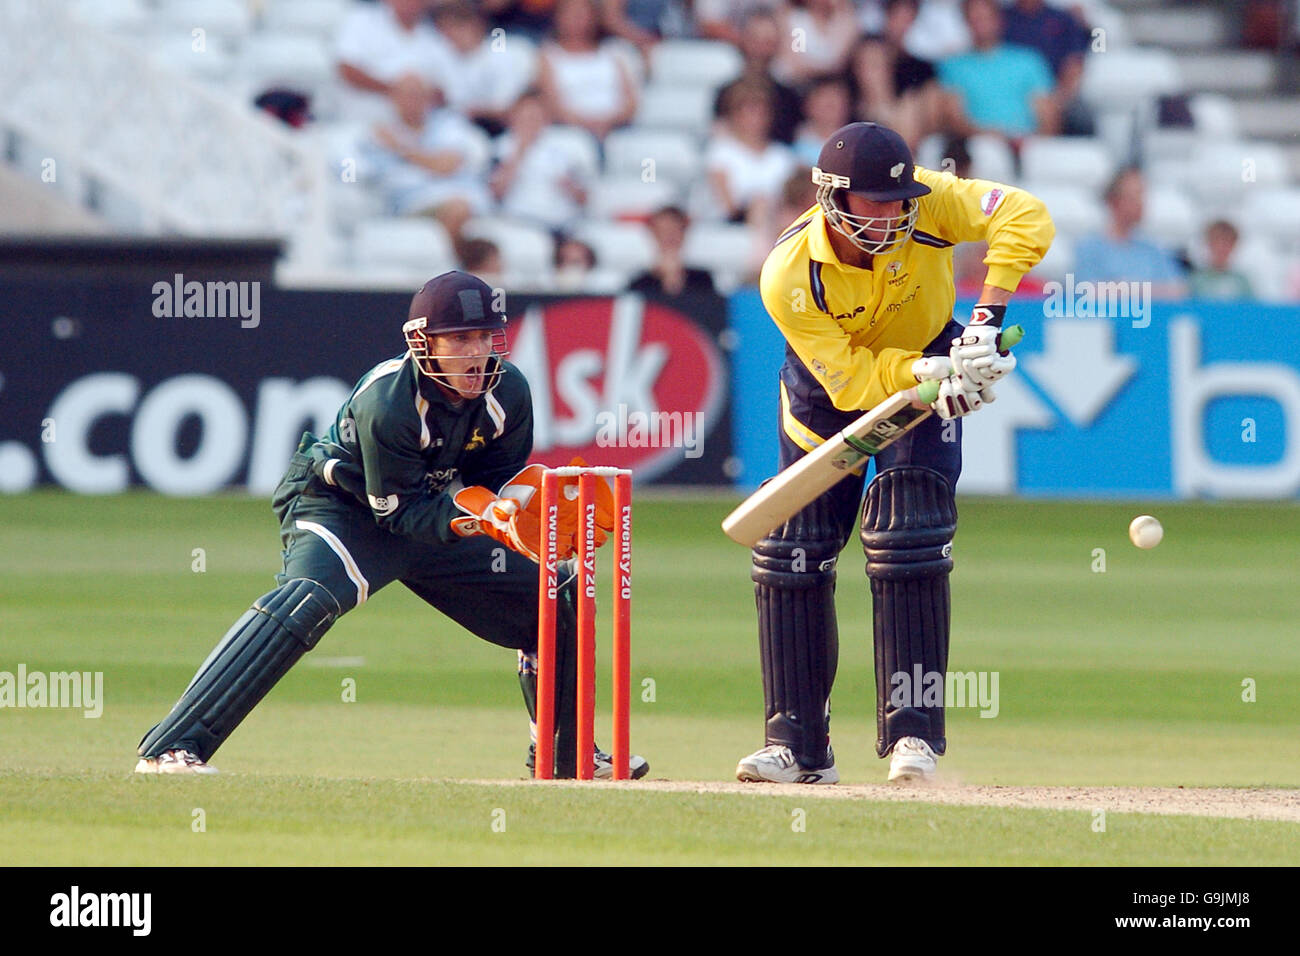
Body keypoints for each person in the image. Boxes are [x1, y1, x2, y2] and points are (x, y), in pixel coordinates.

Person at [134, 272, 649, 780]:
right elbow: (397, 512)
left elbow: (494, 480)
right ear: (424, 342)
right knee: (308, 598)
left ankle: (569, 756)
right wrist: (479, 519)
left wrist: (514, 507)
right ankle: (172, 747)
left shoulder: (508, 393)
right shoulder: (388, 401)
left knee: (555, 589)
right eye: (460, 339)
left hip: (430, 512)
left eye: (485, 337)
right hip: (344, 506)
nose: (477, 354)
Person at [734, 122, 1052, 785]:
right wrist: (934, 373)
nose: (890, 216)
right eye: (873, 203)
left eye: (897, 201)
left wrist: (984, 327)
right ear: (831, 200)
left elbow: (1025, 214)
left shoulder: (929, 202)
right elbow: (849, 381)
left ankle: (913, 737)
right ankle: (797, 747)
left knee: (910, 534)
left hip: (932, 360)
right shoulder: (788, 274)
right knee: (795, 550)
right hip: (828, 391)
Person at [365, 75, 492, 240]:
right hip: (415, 203)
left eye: (418, 94)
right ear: (393, 98)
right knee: (458, 210)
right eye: (406, 94)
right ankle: (460, 263)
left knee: (461, 208)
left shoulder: (448, 124)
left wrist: (399, 148)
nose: (412, 100)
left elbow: (445, 165)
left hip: (463, 198)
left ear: (428, 98)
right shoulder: (378, 133)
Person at [938, 0, 1058, 140]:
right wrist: (993, 137)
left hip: (1029, 143)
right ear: (966, 22)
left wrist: (1028, 142)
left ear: (998, 20)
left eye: (985, 18)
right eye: (975, 19)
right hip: (978, 144)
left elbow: (1048, 117)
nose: (980, 25)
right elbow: (955, 118)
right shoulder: (952, 66)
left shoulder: (1028, 60)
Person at [1074, 166, 1187, 299]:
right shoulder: (1089, 248)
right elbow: (1086, 291)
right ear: (1114, 201)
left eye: (1143, 196)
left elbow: (1177, 290)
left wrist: (1124, 289)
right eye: (1135, 196)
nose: (1142, 203)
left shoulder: (1153, 249)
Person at [629, 205, 718, 297]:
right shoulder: (640, 284)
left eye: (674, 230)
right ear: (654, 234)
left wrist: (674, 278)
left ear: (684, 233)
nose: (669, 236)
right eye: (663, 230)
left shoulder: (703, 280)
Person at [1189, 219, 1254, 300]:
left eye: (1227, 243)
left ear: (1233, 246)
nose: (1221, 248)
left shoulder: (1242, 282)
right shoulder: (1195, 280)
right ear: (1208, 244)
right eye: (1217, 242)